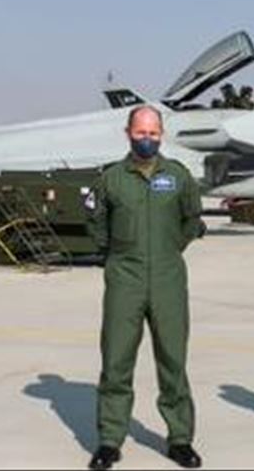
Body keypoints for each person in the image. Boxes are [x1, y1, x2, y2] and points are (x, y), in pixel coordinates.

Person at [85, 106, 206, 470]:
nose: (147, 140)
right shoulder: (111, 179)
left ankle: (180, 439)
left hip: (168, 278)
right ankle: (110, 440)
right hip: (125, 278)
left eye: (153, 133)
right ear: (128, 133)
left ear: (161, 135)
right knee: (116, 360)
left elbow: (191, 220)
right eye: (141, 133)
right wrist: (118, 256)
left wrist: (169, 249)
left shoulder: (178, 176)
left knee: (173, 360)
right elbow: (96, 223)